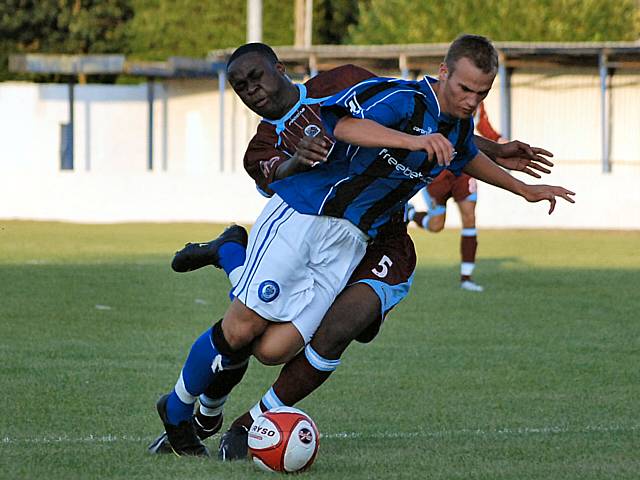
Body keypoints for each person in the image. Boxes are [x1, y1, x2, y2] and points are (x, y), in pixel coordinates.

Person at [153, 37, 574, 458]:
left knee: (272, 348)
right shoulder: (401, 100)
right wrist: (412, 142)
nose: (472, 100)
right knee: (242, 327)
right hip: (306, 214)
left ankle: (231, 255)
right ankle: (175, 409)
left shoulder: (444, 119)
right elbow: (344, 125)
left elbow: (462, 153)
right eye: (465, 89)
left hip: (350, 243)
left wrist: (524, 190)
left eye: (481, 93)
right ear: (443, 72)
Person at [407, 101, 552, 292]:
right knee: (436, 225)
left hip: (465, 170)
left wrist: (503, 143)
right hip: (438, 170)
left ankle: (466, 278)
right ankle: (409, 214)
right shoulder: (440, 97)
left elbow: (486, 130)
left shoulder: (477, 103)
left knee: (469, 218)